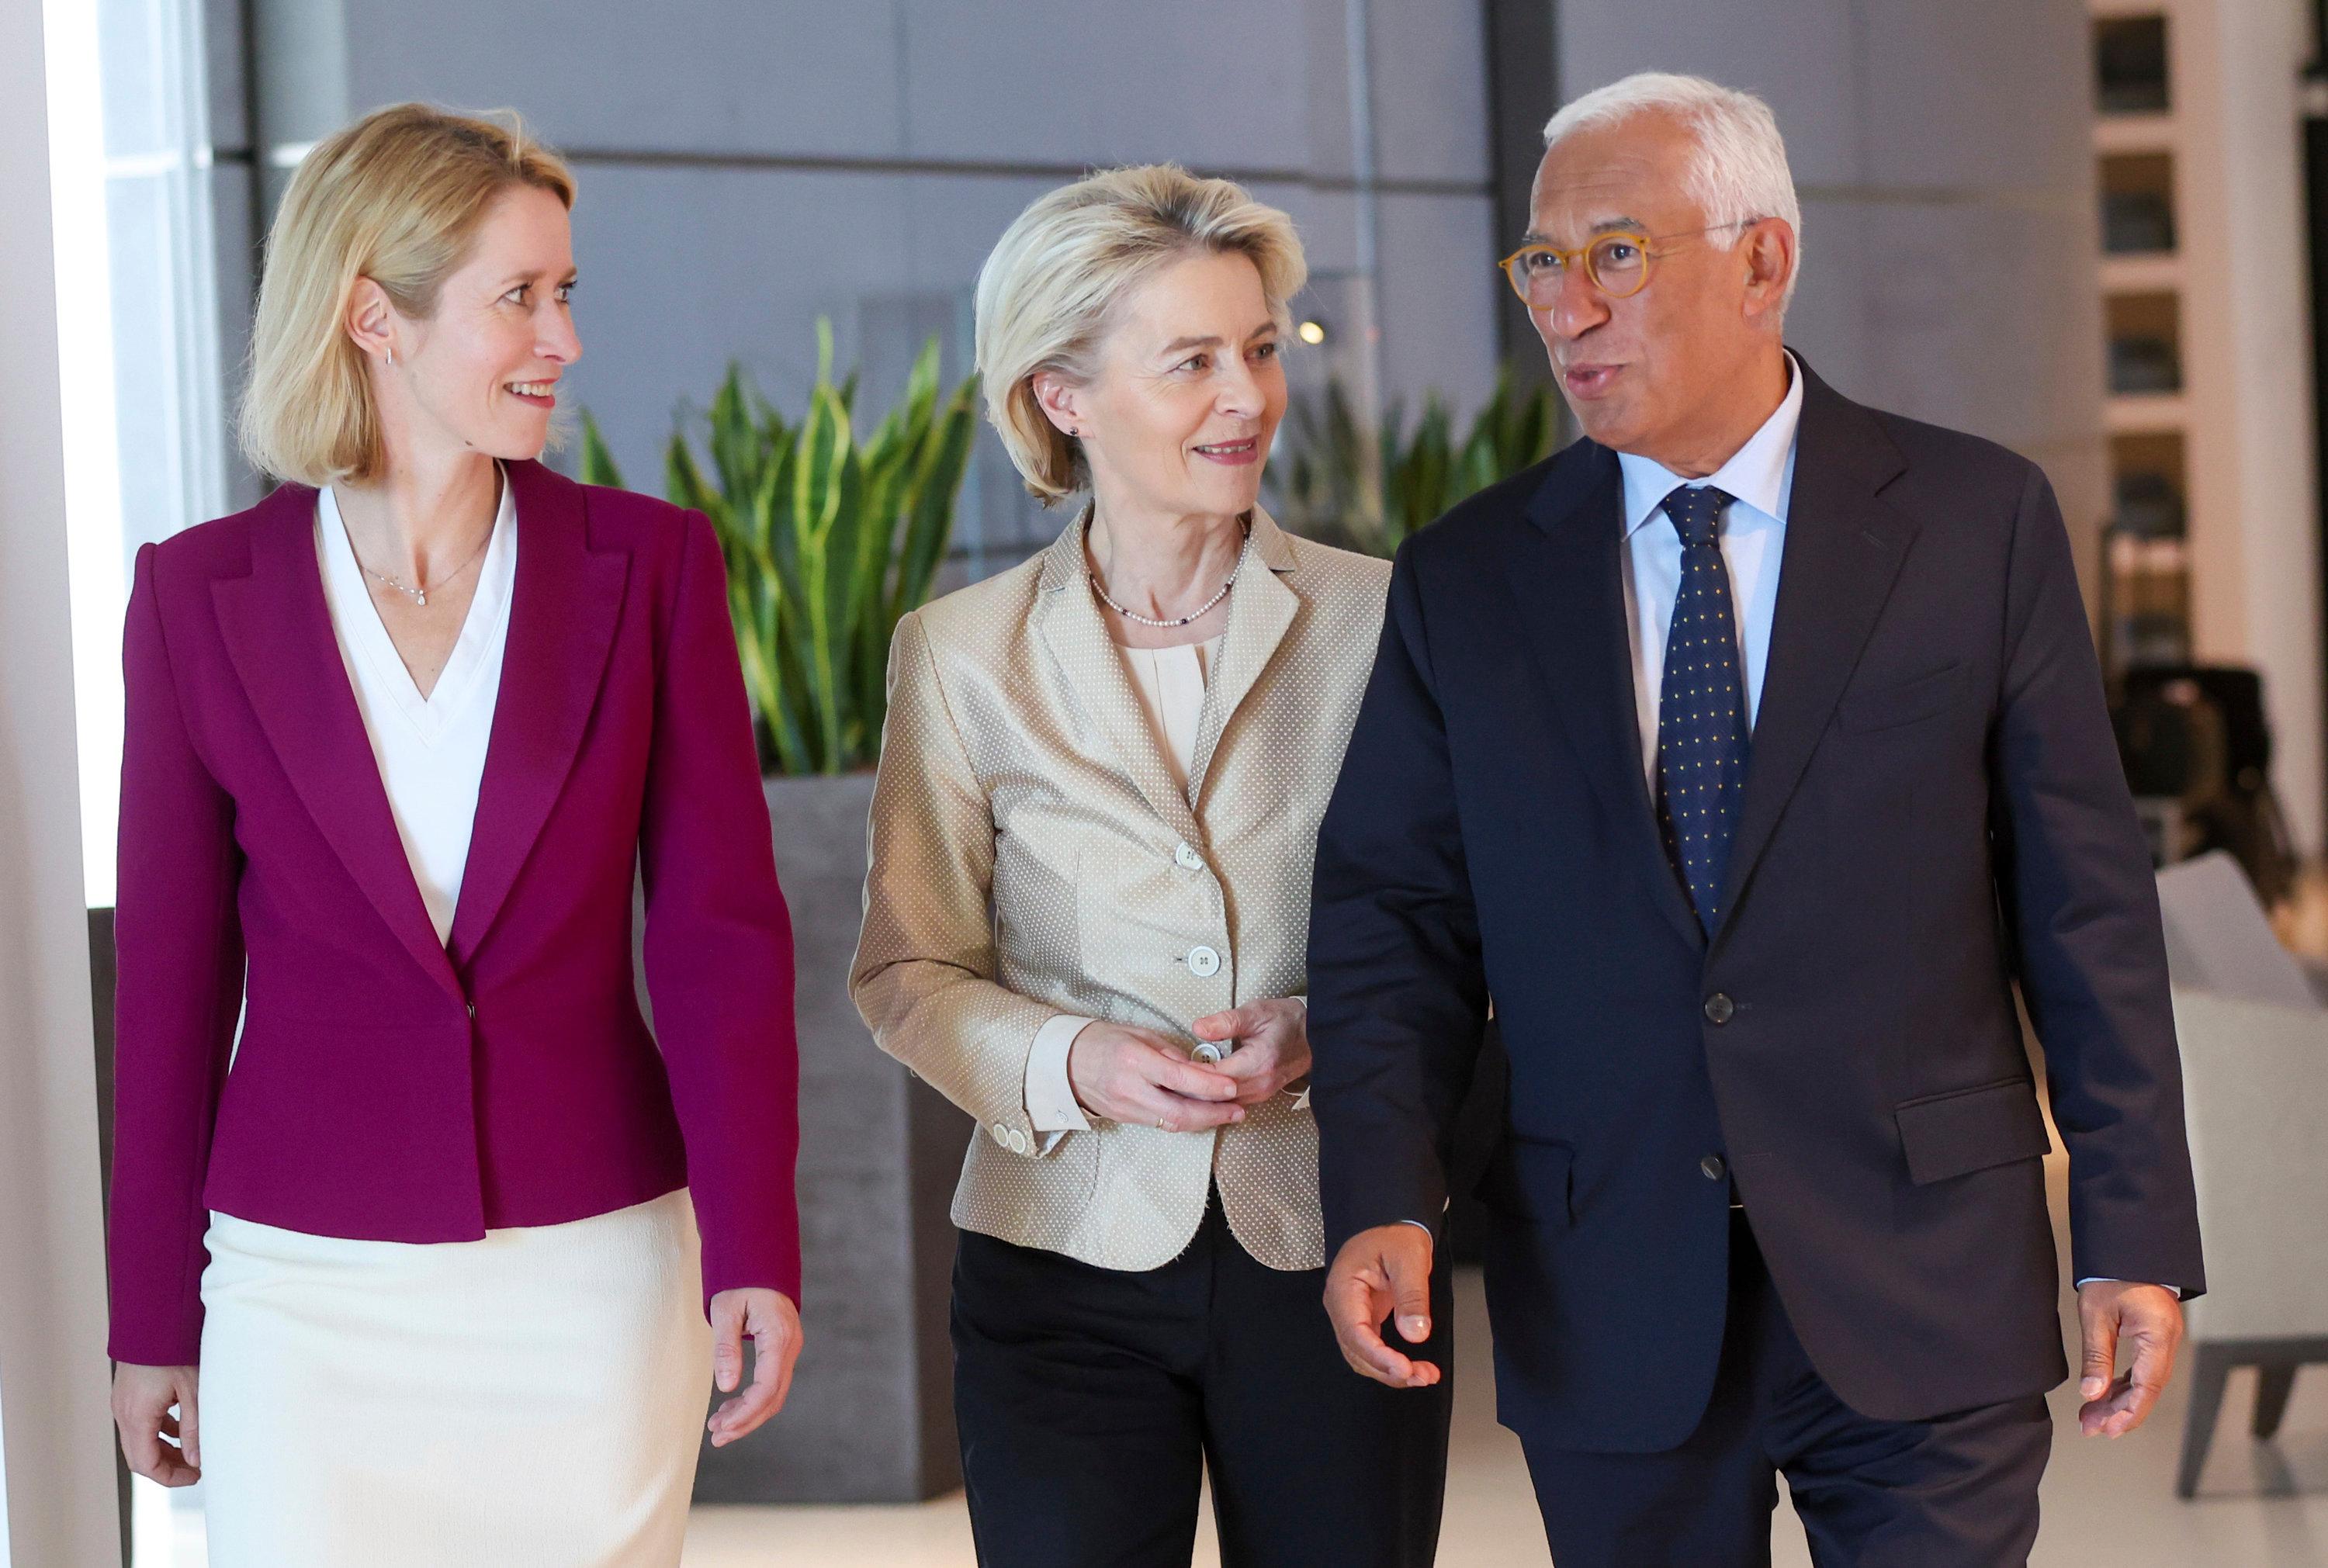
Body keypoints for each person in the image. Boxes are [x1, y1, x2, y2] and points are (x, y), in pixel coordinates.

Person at [1311, 71, 2205, 1565]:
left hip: (1926, 1273)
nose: (1567, 308)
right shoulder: (1467, 580)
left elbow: (2086, 904)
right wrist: (1380, 1190)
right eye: (1543, 263)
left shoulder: (1977, 522)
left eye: (1616, 253)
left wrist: (2133, 1231)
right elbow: (1392, 915)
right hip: (1608, 1288)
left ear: (1763, 260)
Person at [106, 103, 803, 1565]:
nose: (563, 339)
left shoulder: (652, 566)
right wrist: (147, 1316)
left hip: (592, 1274)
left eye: (567, 293)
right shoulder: (195, 596)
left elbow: (717, 938)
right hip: (305, 1289)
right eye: (519, 299)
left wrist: (755, 1244)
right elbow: (171, 988)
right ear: (374, 314)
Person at [851, 164, 1449, 1567]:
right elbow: (906, 970)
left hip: (1333, 1238)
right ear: (1062, 393)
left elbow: (1470, 926)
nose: (1246, 396)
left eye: (1256, 349)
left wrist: (1339, 1029)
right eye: (1190, 362)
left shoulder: (1386, 619)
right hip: (1056, 1260)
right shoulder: (960, 654)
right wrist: (1075, 1062)